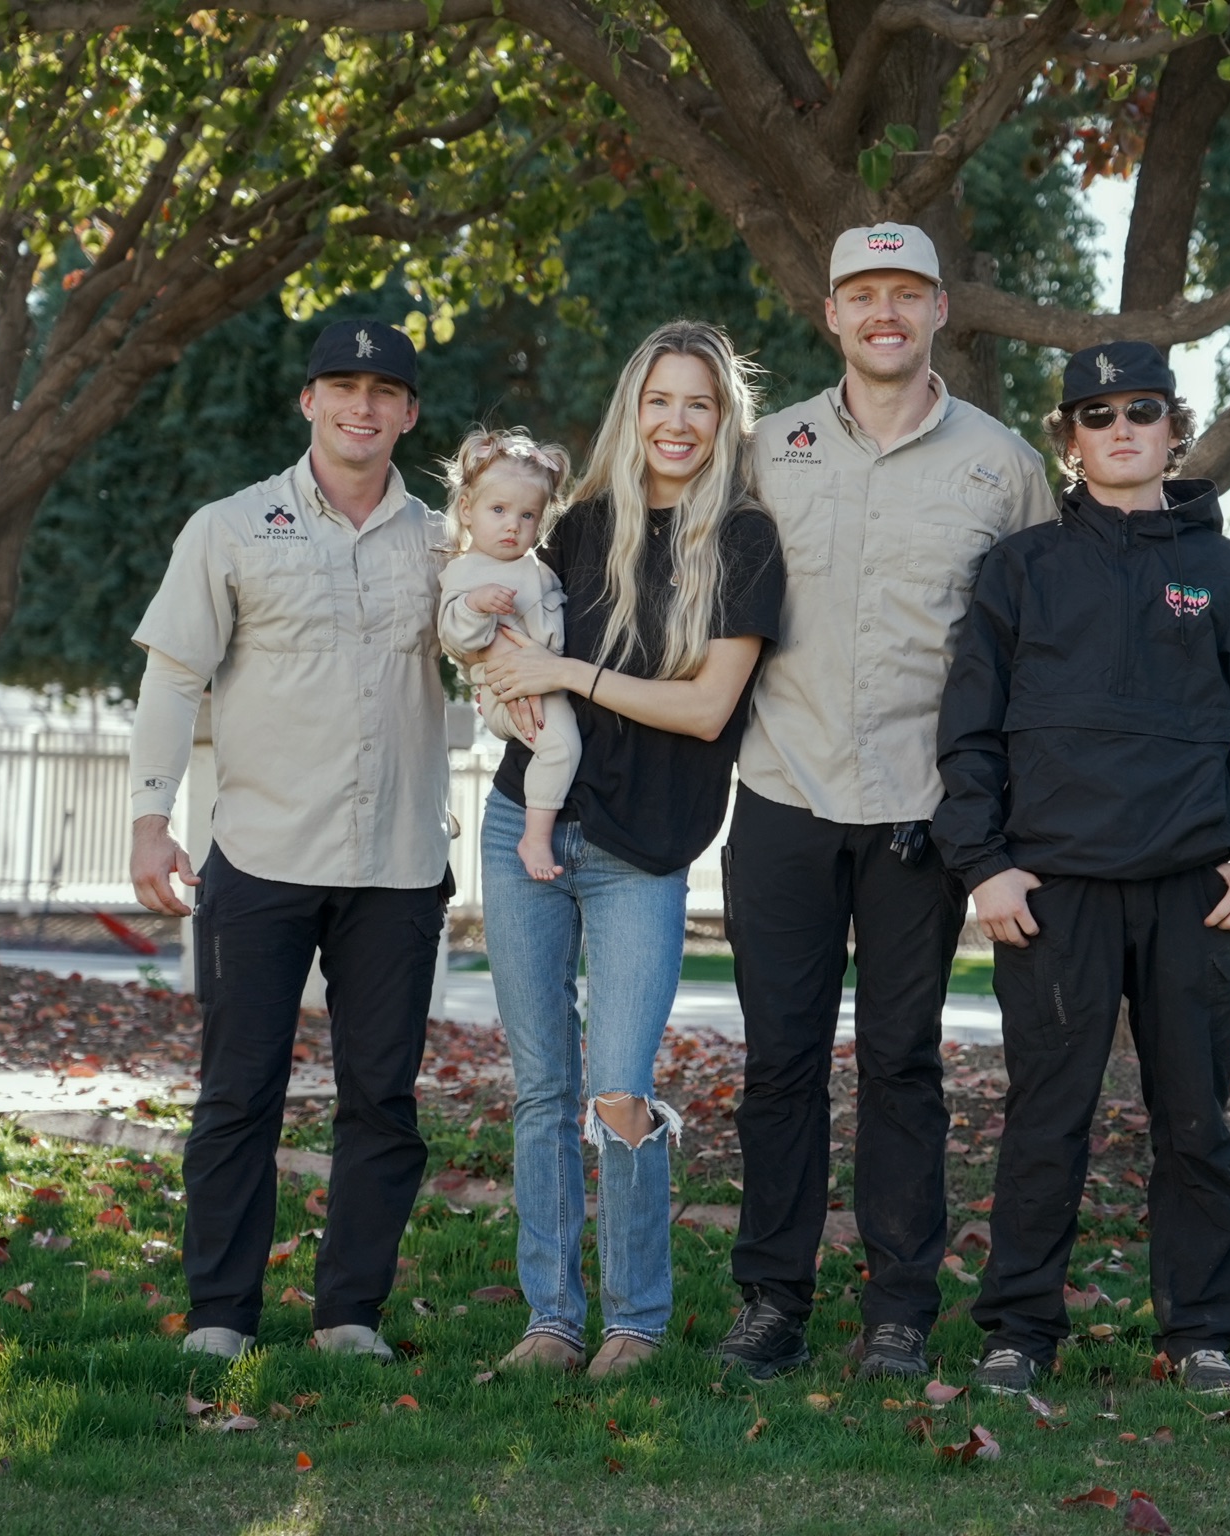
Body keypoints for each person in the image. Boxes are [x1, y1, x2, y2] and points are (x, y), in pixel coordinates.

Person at [932, 341, 1230, 1396]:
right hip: (1050, 897)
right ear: (1068, 440)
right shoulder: (1020, 570)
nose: (1119, 430)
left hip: (1191, 893)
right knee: (1044, 1124)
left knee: (1195, 1124)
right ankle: (1017, 1330)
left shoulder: (1225, 575)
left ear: (1174, 429)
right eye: (1094, 415)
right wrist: (984, 867)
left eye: (1139, 410)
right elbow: (967, 734)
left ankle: (1199, 1333)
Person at [717, 226, 1054, 1382]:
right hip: (780, 791)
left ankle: (899, 1310)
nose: (884, 314)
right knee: (779, 1063)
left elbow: (1036, 650)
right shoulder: (766, 449)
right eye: (862, 295)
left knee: (901, 1063)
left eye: (905, 293)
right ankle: (770, 1301)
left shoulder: (1003, 466)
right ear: (830, 315)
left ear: (939, 309)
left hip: (924, 808)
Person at [126, 318, 452, 1362]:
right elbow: (175, 676)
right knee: (237, 1098)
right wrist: (149, 817)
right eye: (341, 384)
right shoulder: (229, 527)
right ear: (307, 399)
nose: (362, 405)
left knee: (382, 1103)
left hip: (398, 866)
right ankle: (221, 1316)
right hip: (258, 859)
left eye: (383, 390)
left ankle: (348, 1315)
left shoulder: (449, 540)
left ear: (408, 413)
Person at [474, 320, 785, 1379]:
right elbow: (514, 654)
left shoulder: (742, 540)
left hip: (646, 847)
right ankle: (553, 1321)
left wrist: (571, 680)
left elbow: (705, 710)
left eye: (699, 403)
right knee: (541, 1090)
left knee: (616, 1090)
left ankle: (636, 1322)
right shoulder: (578, 527)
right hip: (528, 821)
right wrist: (506, 676)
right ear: (632, 410)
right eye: (660, 400)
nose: (677, 422)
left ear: (722, 419)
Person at [435, 429, 578, 880]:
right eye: (498, 510)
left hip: (548, 681)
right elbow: (453, 634)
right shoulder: (464, 571)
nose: (513, 525)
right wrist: (476, 605)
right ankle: (534, 837)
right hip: (509, 694)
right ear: (468, 510)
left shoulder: (536, 567)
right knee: (561, 747)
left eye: (527, 515)